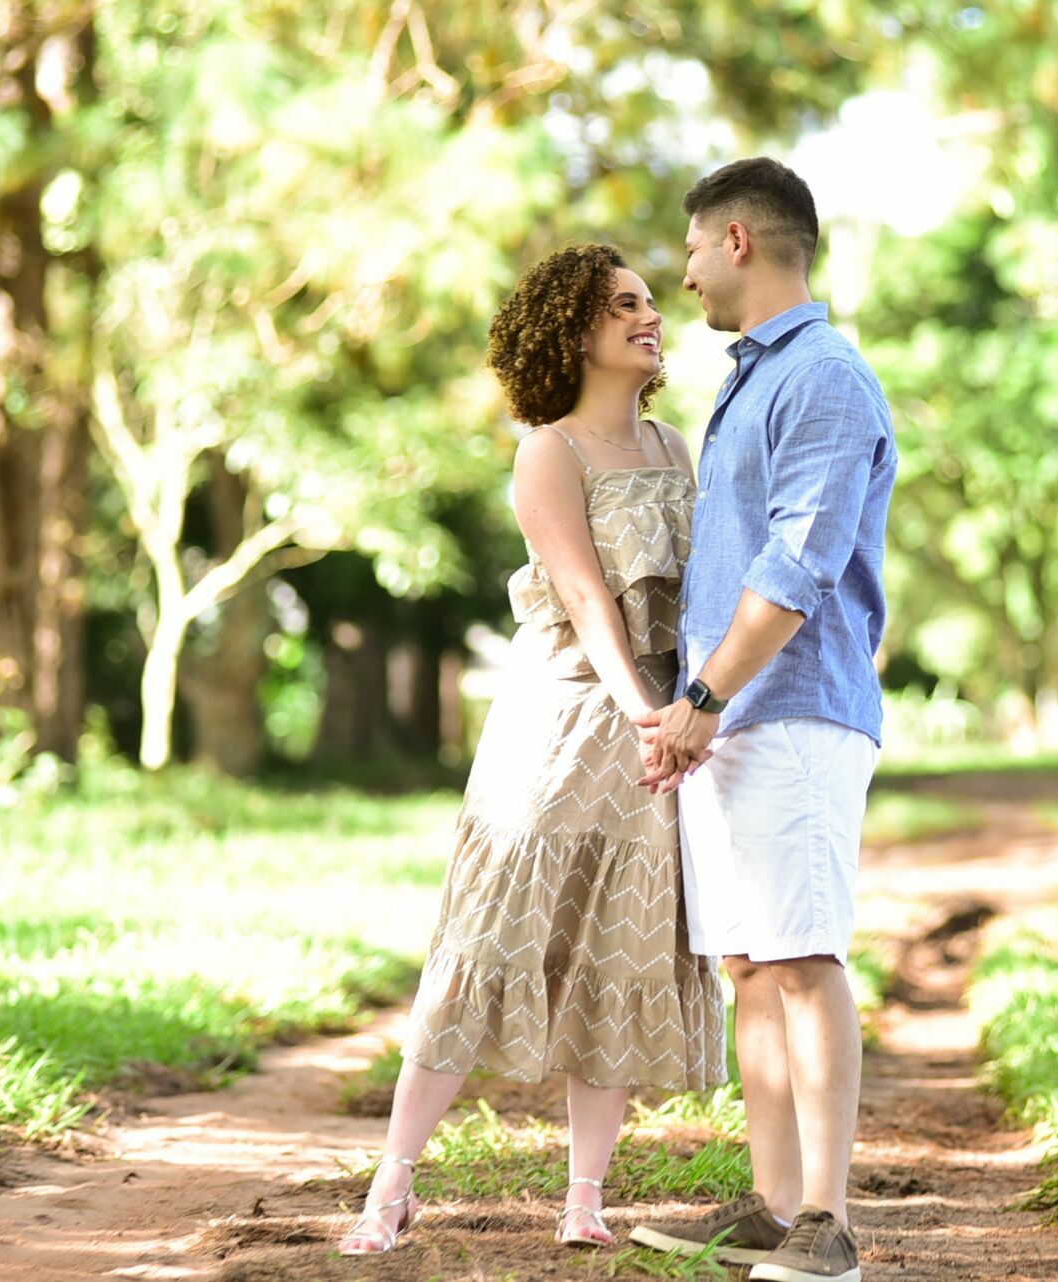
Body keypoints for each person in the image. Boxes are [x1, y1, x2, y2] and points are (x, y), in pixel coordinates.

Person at [336, 243, 725, 1255]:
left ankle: (585, 1200)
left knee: (616, 951)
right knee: (488, 943)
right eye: (626, 306)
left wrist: (686, 710)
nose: (652, 317)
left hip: (652, 734)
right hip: (562, 729)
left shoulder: (676, 448)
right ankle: (392, 1185)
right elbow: (589, 596)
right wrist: (648, 707)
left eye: (650, 301)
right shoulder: (550, 451)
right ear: (576, 331)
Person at [627, 158, 896, 1282]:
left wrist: (701, 697)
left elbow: (798, 565)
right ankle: (777, 1203)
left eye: (689, 251)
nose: (681, 277)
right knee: (749, 962)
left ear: (736, 239)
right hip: (733, 720)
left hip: (787, 709)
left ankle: (828, 1221)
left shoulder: (824, 375)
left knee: (803, 959)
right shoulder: (749, 378)